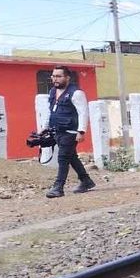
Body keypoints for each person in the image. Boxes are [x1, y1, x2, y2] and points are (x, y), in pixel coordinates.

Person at [44, 65, 95, 198]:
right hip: (58, 130)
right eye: (54, 76)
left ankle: (58, 187)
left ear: (67, 77)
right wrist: (46, 126)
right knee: (71, 157)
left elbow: (83, 112)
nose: (55, 79)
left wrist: (81, 131)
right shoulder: (52, 92)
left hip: (71, 131)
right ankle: (86, 181)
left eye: (59, 76)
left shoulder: (76, 93)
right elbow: (51, 111)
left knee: (63, 158)